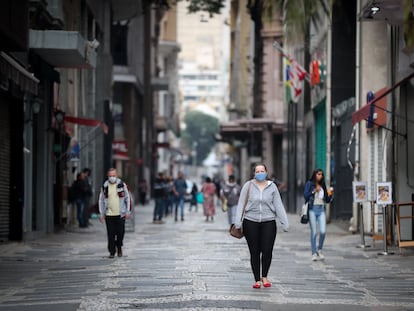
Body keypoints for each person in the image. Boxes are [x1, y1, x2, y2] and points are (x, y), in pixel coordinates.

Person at [234, 163, 289, 289]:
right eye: (257, 171)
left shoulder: (272, 187)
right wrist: (238, 222)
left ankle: (265, 276)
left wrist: (284, 222)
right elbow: (241, 203)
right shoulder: (248, 186)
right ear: (254, 173)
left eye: (262, 171)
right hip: (250, 222)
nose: (260, 173)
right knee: (254, 251)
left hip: (268, 221)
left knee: (267, 250)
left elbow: (278, 205)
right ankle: (257, 279)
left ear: (266, 172)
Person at [99, 168, 131, 258]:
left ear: (116, 176)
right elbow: (101, 200)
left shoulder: (121, 185)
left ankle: (119, 246)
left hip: (120, 214)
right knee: (111, 234)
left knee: (120, 233)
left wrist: (128, 211)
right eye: (110, 176)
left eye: (113, 176)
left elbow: (127, 198)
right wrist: (101, 214)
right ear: (107, 176)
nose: (112, 178)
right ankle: (112, 251)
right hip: (109, 214)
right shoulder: (105, 186)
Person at [303, 168, 333, 261]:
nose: (320, 176)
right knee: (314, 232)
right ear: (315, 175)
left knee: (323, 231)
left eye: (321, 174)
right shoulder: (309, 184)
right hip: (312, 209)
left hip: (321, 210)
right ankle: (313, 253)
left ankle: (319, 250)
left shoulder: (323, 185)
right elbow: (305, 196)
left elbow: (327, 200)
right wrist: (314, 191)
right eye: (318, 174)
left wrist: (330, 194)